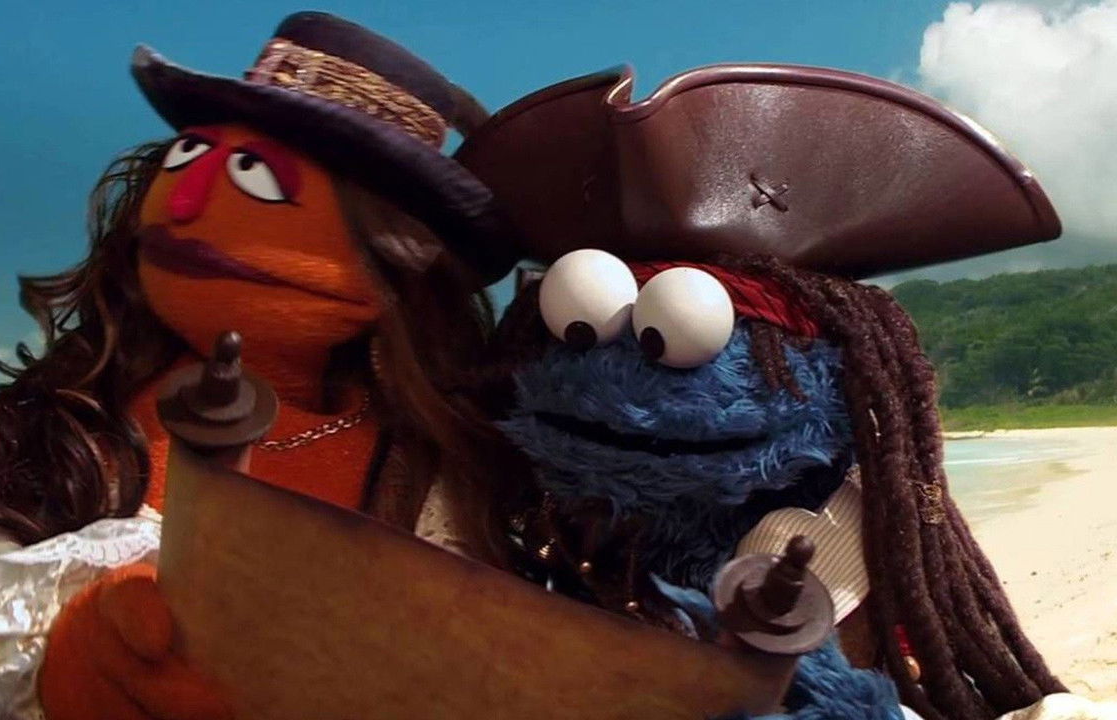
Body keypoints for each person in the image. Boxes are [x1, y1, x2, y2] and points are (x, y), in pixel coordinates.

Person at [0, 12, 514, 719]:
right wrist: (62, 653)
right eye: (187, 156)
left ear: (390, 259)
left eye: (253, 177)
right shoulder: (92, 410)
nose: (187, 201)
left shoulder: (423, 467)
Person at [457, 63, 1103, 719]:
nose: (613, 371)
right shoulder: (569, 531)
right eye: (579, 323)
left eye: (683, 325)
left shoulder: (836, 530)